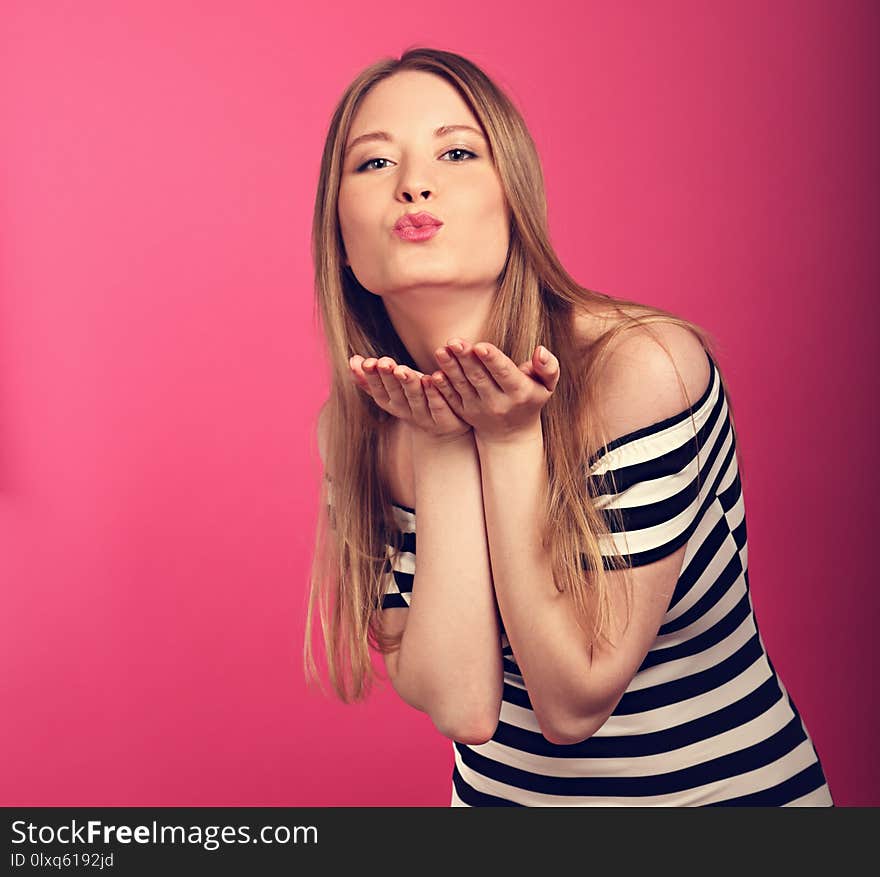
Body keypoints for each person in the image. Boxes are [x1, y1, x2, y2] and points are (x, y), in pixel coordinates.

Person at [303, 46, 834, 807]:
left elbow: (573, 699)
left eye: (456, 152)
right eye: (374, 163)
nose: (413, 184)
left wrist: (512, 440)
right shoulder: (356, 426)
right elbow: (462, 706)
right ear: (343, 243)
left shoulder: (644, 369)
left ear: (515, 200)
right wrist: (448, 441)